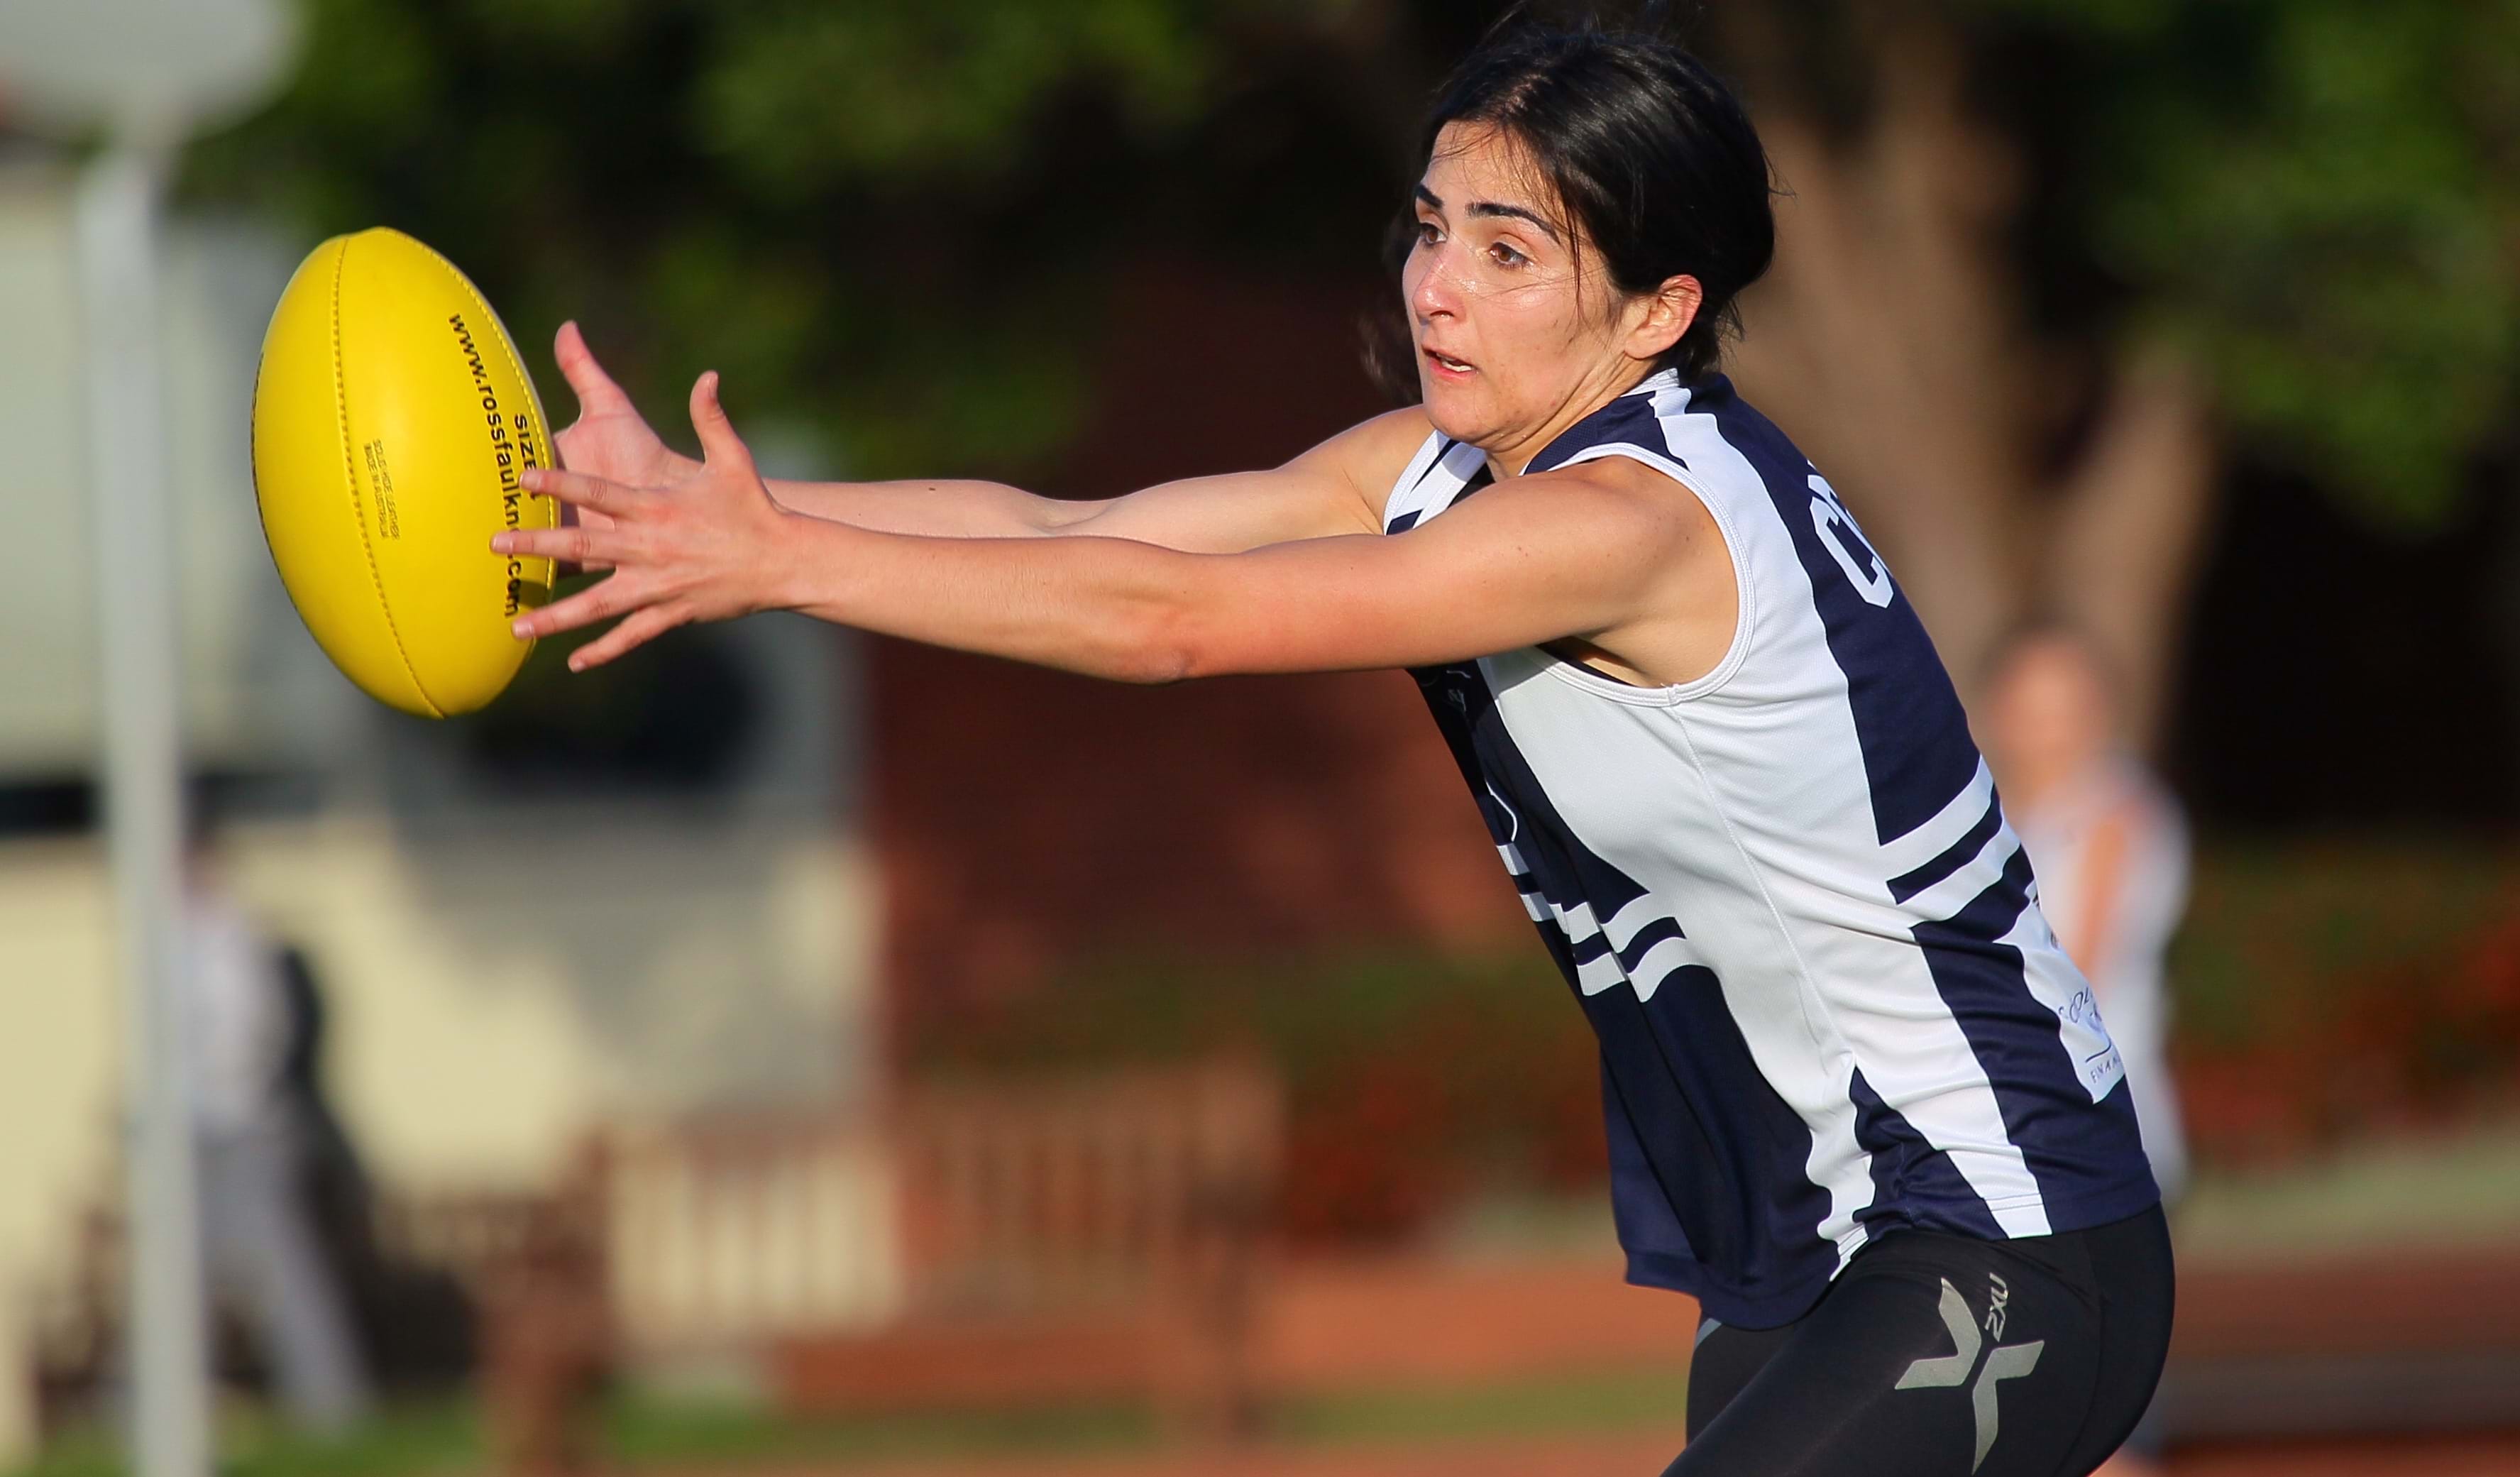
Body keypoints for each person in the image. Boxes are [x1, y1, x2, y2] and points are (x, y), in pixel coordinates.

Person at [494, 18, 2172, 1474]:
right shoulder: (1443, 469)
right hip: (1815, 1248)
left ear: (1658, 310)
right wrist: (709, 513)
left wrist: (776, 567)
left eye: (1509, 253)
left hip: (2007, 1228)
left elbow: (1168, 623)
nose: (1436, 286)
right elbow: (1070, 530)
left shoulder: (1632, 521)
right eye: (1432, 227)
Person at [1983, 627, 2194, 1476]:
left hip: (2100, 1142)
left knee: (2095, 1419)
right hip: (2009, 1149)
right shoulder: (1985, 820)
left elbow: (2073, 973)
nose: (2050, 730)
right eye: (2032, 707)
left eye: (2068, 707)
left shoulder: (2118, 816)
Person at [180, 812, 373, 1433]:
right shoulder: (172, 940)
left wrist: (231, 1099)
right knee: (173, 1280)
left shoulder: (231, 940)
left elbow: (255, 1037)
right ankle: (139, 1412)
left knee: (282, 1271)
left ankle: (331, 1405)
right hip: (192, 1136)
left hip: (245, 1130)